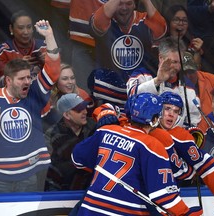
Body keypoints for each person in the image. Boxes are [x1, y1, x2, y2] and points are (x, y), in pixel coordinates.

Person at [72, 92, 202, 215]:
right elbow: (164, 196)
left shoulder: (106, 130)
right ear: (154, 119)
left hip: (89, 209)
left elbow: (77, 159)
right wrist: (185, 213)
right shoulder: (152, 145)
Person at [0, 19, 61, 193]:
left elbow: (54, 69)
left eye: (28, 77)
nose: (28, 81)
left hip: (28, 175)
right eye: (22, 78)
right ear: (9, 80)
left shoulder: (34, 93)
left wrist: (49, 36)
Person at [88, 0, 167, 109]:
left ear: (135, 5)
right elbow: (98, 23)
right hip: (108, 94)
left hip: (141, 94)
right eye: (120, 3)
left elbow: (161, 29)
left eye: (128, 3)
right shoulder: (106, 19)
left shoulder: (144, 20)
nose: (124, 8)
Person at [127, 36, 201, 127]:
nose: (177, 67)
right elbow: (132, 98)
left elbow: (193, 121)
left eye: (180, 62)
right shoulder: (142, 74)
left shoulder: (189, 88)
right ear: (161, 58)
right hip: (142, 134)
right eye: (173, 62)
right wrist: (157, 81)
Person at [45, 93, 96, 191]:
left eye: (85, 107)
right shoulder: (52, 135)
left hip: (91, 188)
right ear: (67, 115)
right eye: (79, 110)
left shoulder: (94, 127)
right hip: (64, 190)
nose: (85, 112)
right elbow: (49, 170)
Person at [0, 10, 47, 85]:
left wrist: (49, 62)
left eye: (29, 27)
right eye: (21, 28)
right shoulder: (5, 50)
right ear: (11, 29)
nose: (26, 32)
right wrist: (18, 66)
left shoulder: (44, 46)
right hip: (16, 95)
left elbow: (59, 74)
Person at [182, 51, 214, 116]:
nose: (188, 76)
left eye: (191, 71)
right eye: (184, 73)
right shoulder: (174, 85)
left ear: (196, 69)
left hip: (213, 123)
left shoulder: (212, 80)